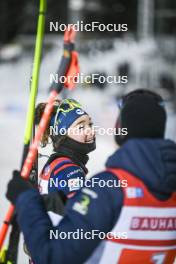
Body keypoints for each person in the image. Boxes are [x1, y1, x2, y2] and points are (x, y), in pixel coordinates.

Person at [6, 89, 176, 264]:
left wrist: (29, 202)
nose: (90, 131)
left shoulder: (62, 166)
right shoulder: (70, 169)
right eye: (81, 126)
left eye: (90, 124)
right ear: (62, 133)